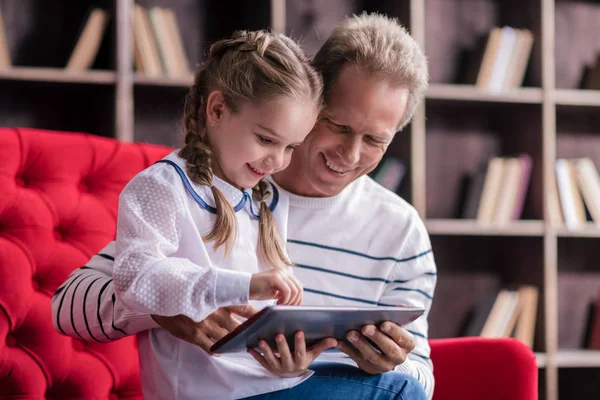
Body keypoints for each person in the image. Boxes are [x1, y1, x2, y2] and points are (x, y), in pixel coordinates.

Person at [52, 13, 435, 400]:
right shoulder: (224, 188)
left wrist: (384, 360)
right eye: (338, 125)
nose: (350, 155)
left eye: (374, 140)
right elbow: (70, 306)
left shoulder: (401, 231)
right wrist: (169, 311)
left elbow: (419, 377)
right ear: (309, 103)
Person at [69, 28, 330, 400]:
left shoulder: (264, 199)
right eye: (267, 139)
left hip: (265, 386)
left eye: (291, 146)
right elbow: (134, 276)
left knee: (392, 383)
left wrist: (289, 360)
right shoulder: (162, 186)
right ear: (218, 109)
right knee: (394, 388)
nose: (278, 161)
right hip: (206, 392)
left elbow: (253, 327)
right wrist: (243, 285)